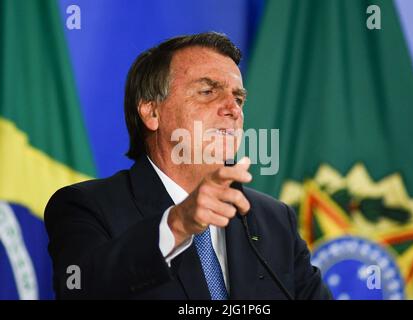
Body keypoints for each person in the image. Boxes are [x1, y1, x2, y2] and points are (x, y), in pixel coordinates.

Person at [44, 32, 332, 300]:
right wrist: (178, 224)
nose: (233, 109)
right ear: (151, 111)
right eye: (208, 91)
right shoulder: (85, 207)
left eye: (239, 98)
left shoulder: (273, 219)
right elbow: (80, 289)